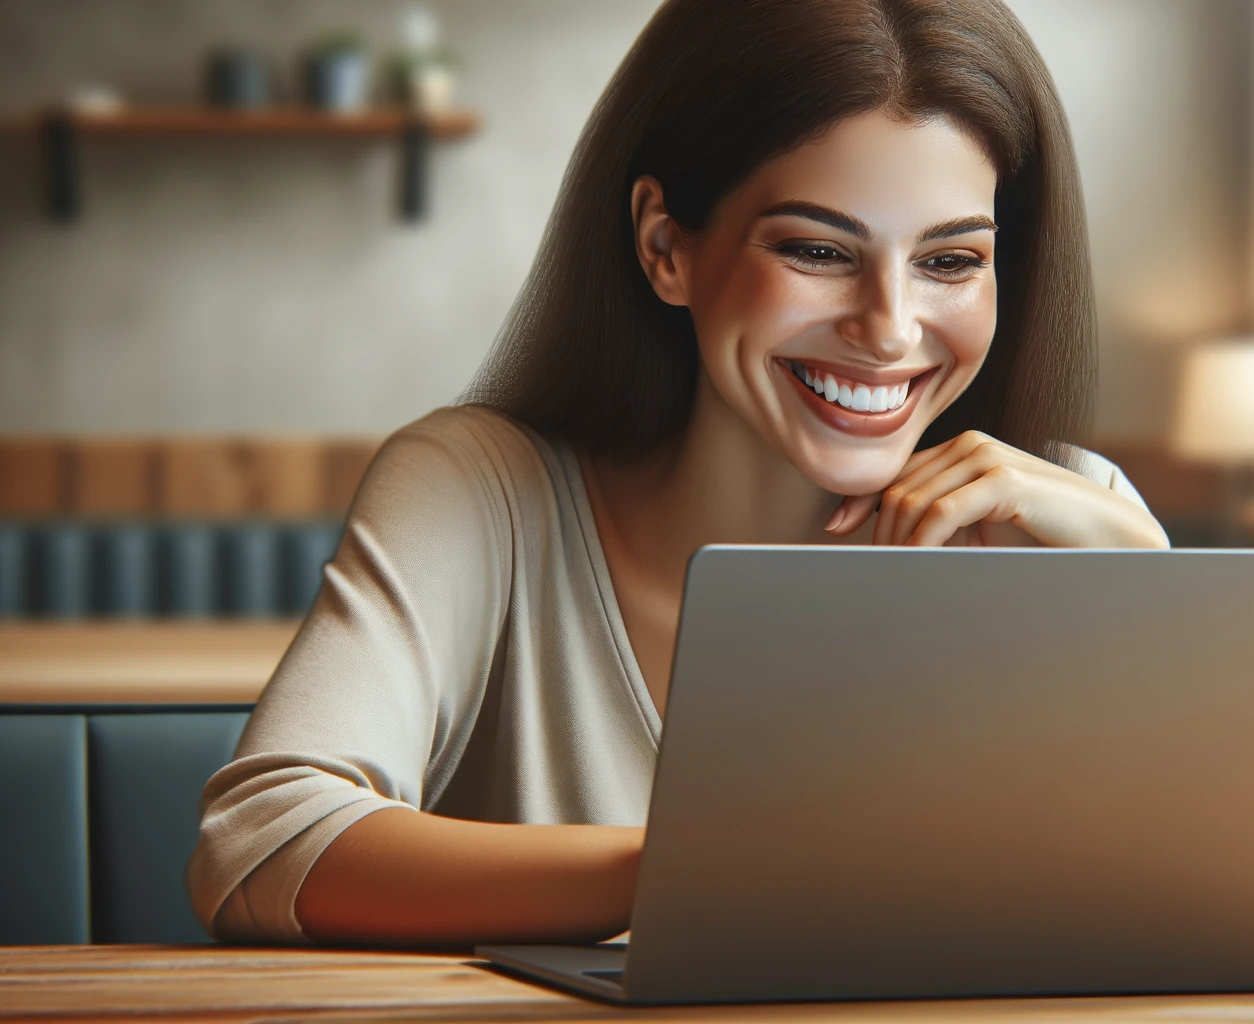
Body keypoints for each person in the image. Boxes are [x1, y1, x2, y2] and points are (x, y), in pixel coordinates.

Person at [188, 0, 1169, 948]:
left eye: (951, 260)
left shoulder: (1069, 519)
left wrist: (1155, 593)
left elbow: (1197, 899)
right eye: (818, 249)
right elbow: (263, 841)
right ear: (666, 246)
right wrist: (701, 870)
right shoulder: (480, 492)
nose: (889, 328)